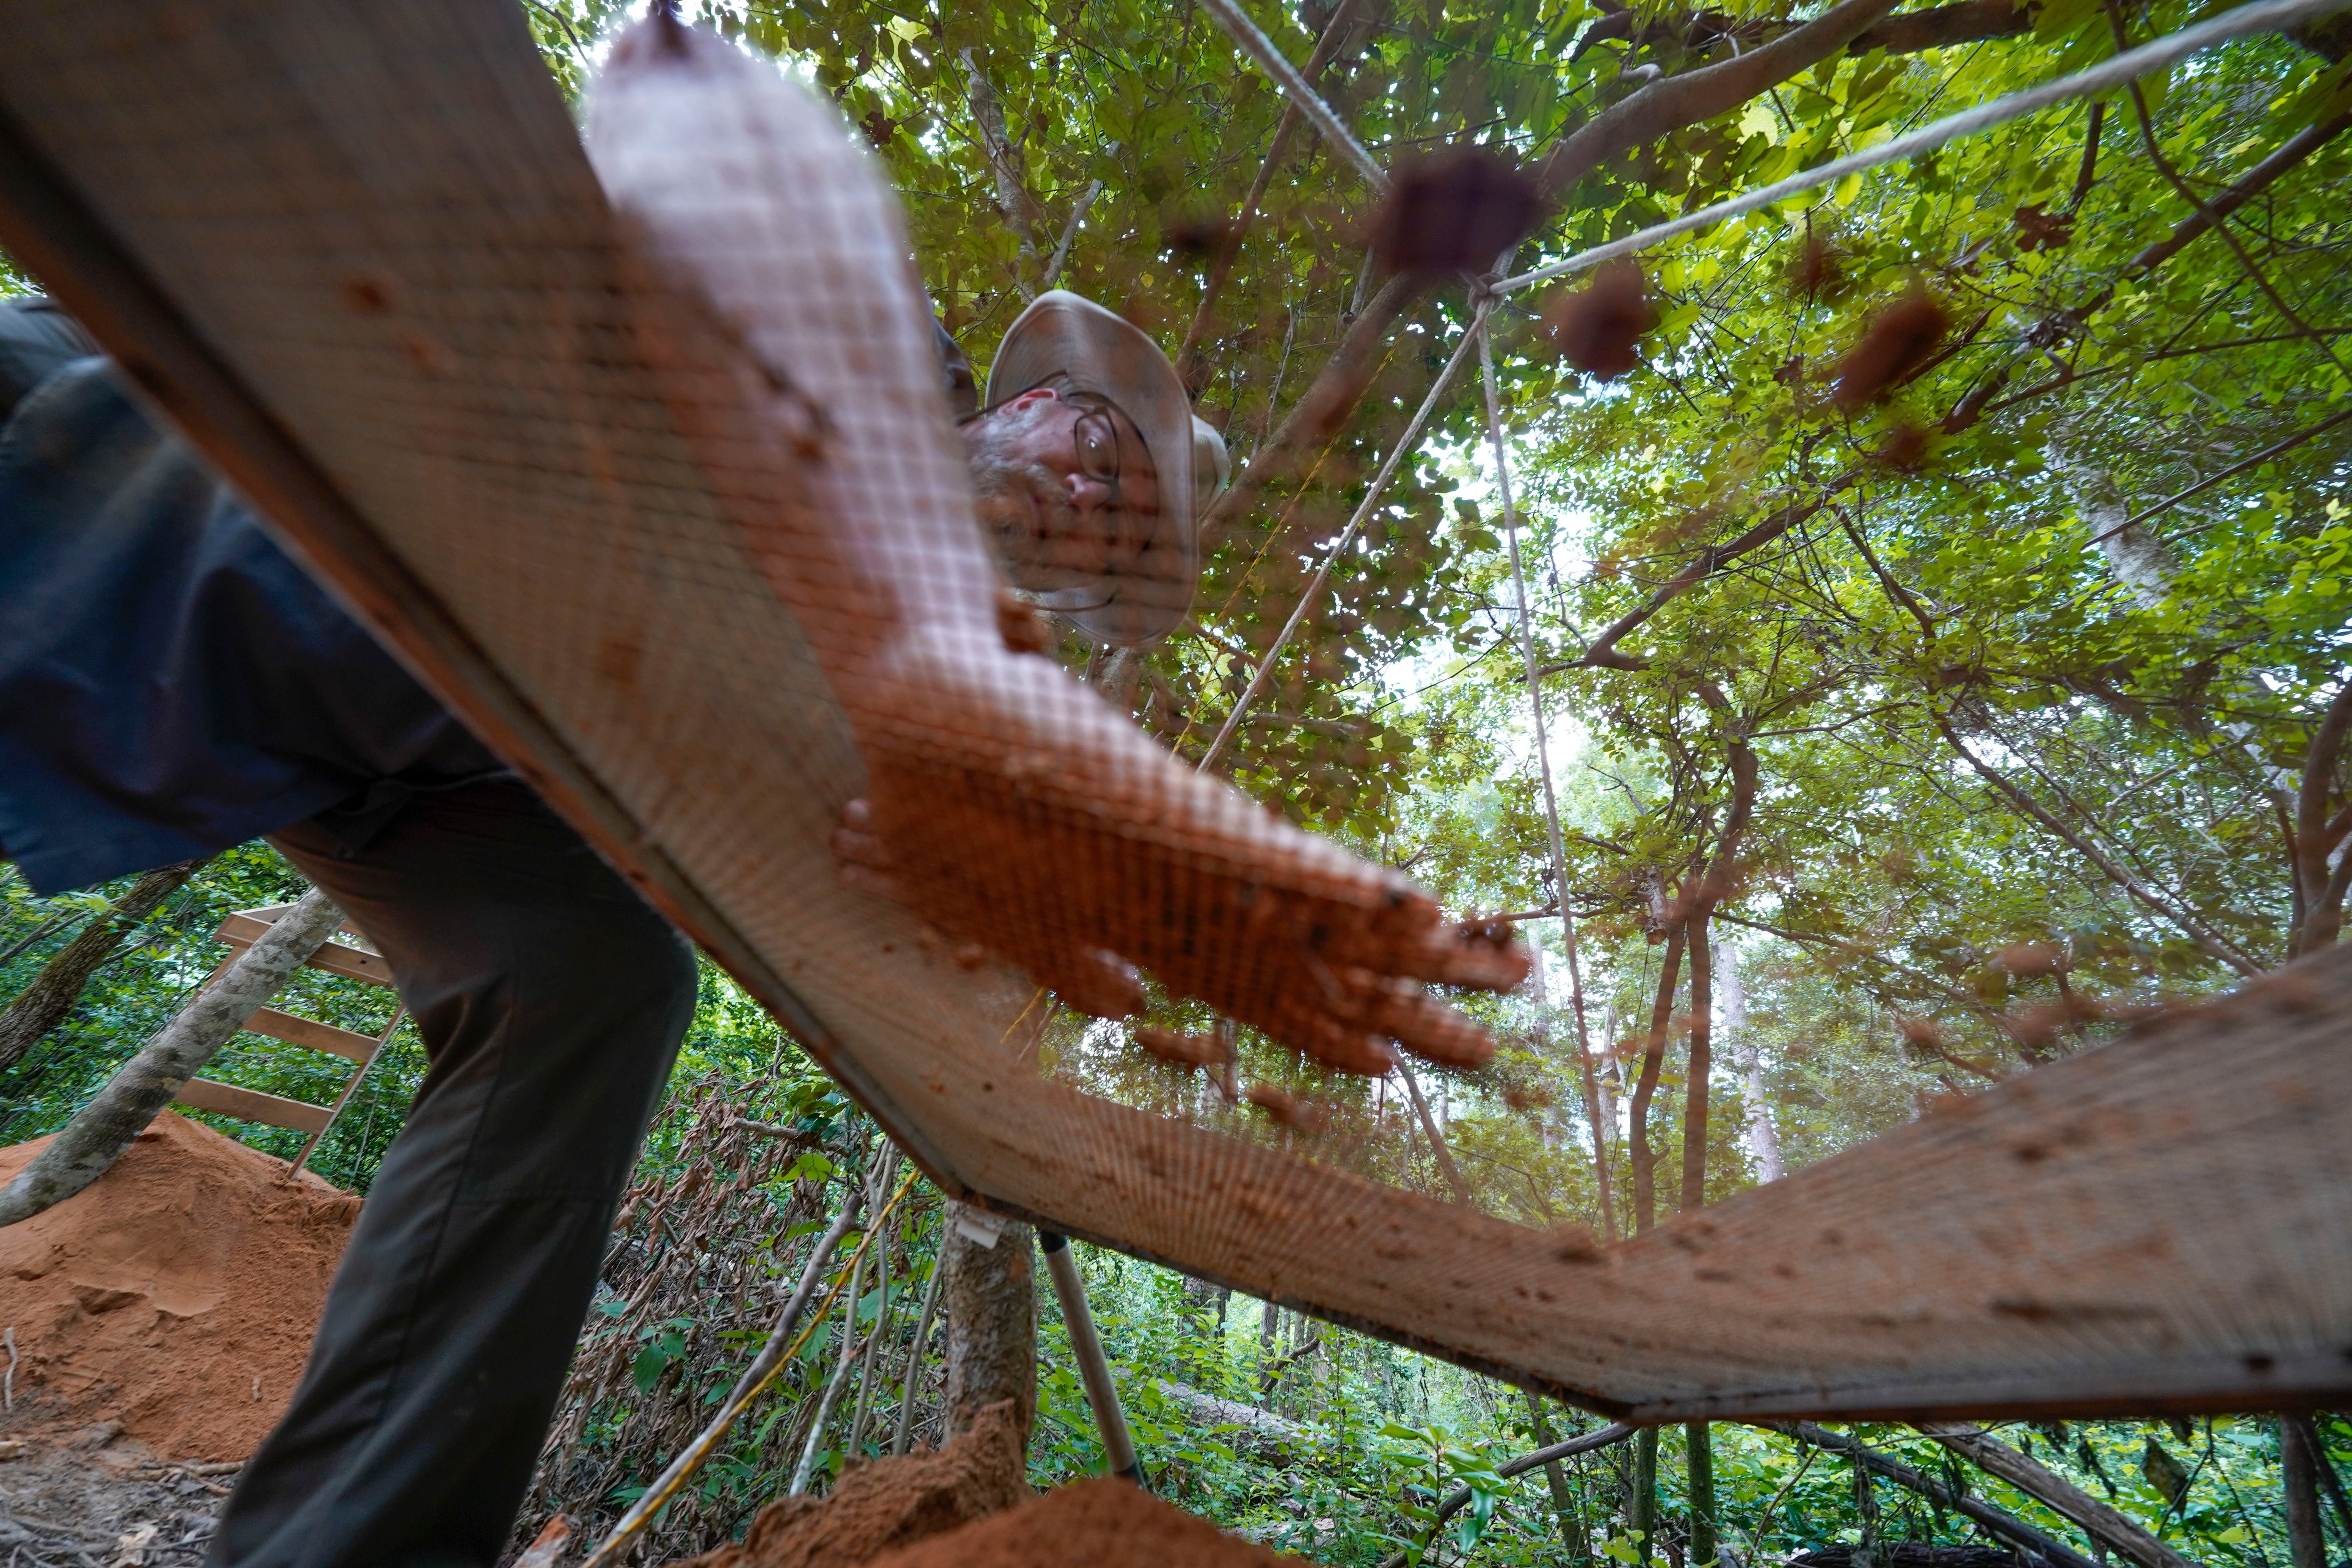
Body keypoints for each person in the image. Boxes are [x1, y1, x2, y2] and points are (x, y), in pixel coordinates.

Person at [0, 282, 1218, 1568]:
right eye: (1097, 459)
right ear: (1031, 404)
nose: (1086, 506)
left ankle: (354, 1549)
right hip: (241, 467)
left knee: (596, 977)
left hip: (403, 751)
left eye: (1114, 534)